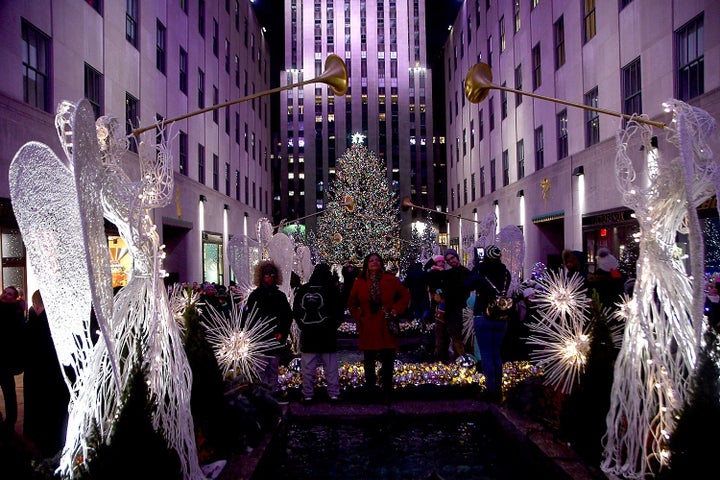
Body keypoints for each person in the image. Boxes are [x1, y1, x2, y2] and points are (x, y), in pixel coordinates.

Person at [347, 252, 410, 404]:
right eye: (371, 260)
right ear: (366, 264)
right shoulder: (359, 281)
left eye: (376, 260)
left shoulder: (391, 280)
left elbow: (405, 295)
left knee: (388, 359)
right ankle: (370, 390)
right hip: (368, 324)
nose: (374, 262)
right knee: (369, 360)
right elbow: (351, 301)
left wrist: (396, 309)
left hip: (385, 324)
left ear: (381, 263)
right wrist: (358, 315)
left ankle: (387, 391)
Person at [23, 290, 70, 457]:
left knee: (42, 416)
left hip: (39, 380)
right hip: (60, 379)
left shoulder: (35, 325)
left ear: (36, 305)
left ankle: (43, 449)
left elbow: (26, 353)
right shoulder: (64, 321)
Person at [466, 245, 512, 403]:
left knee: (486, 353)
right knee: (496, 353)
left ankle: (490, 389)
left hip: (483, 316)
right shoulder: (506, 273)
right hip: (501, 317)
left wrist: (477, 266)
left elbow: (468, 284)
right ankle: (499, 389)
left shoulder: (480, 272)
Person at [293, 263, 344, 403]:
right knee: (331, 368)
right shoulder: (332, 290)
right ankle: (334, 394)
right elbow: (340, 311)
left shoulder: (304, 289)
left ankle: (307, 394)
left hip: (309, 336)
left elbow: (297, 310)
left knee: (308, 368)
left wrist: (303, 325)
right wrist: (332, 325)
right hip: (328, 336)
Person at [243, 260, 293, 404]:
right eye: (266, 275)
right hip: (260, 338)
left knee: (272, 369)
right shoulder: (255, 296)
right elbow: (248, 317)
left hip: (275, 339)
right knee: (260, 370)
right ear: (261, 276)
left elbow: (287, 316)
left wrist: (282, 333)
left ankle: (271, 397)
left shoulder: (280, 296)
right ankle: (262, 398)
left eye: (271, 275)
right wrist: (251, 334)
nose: (269, 278)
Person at [0, 285, 25, 433]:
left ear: (15, 298)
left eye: (9, 294)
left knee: (9, 392)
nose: (5, 295)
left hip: (5, 361)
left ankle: (10, 422)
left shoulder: (16, 313)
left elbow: (17, 337)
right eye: (4, 292)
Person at [439, 248, 471, 362]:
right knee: (456, 335)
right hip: (453, 310)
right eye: (448, 260)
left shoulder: (466, 272)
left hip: (465, 309)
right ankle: (461, 359)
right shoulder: (447, 274)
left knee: (464, 336)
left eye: (452, 258)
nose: (451, 261)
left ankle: (465, 359)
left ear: (456, 257)